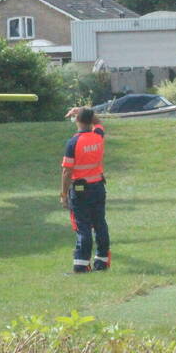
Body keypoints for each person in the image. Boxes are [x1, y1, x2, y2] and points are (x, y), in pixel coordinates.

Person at [60, 107, 110, 273]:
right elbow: (98, 122)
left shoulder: (73, 142)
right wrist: (83, 110)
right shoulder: (98, 136)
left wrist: (63, 195)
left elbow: (67, 171)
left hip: (80, 190)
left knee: (83, 227)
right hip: (98, 187)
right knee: (100, 224)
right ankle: (102, 261)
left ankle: (81, 264)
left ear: (77, 121)